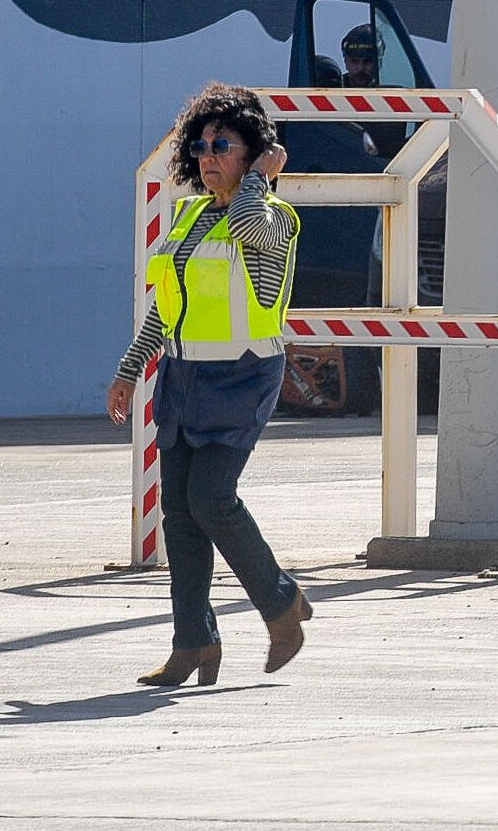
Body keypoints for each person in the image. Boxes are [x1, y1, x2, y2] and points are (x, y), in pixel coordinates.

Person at [107, 83, 312, 686]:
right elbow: (165, 306)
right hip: (182, 375)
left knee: (213, 499)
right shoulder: (190, 215)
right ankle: (193, 644)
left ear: (255, 154)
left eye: (224, 144)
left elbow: (250, 225)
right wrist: (129, 368)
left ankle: (282, 604)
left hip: (243, 375)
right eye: (200, 145)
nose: (207, 155)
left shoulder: (272, 217)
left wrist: (263, 180)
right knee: (179, 513)